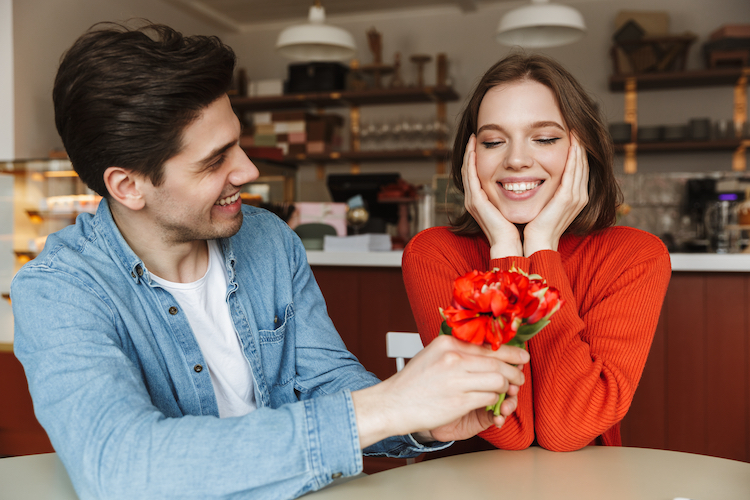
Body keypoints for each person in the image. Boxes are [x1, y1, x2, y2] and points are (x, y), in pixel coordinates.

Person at [10, 22, 530, 499]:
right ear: (128, 186)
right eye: (215, 160)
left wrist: (420, 423)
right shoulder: (58, 292)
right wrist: (388, 406)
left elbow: (328, 381)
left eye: (238, 144)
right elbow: (120, 467)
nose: (248, 169)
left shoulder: (268, 239)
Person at [402, 53, 671, 453]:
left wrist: (542, 246)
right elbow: (509, 431)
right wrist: (507, 250)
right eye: (494, 141)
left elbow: (568, 428)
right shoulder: (434, 254)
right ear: (470, 158)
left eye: (544, 138)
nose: (515, 160)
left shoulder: (635, 256)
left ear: (581, 150)